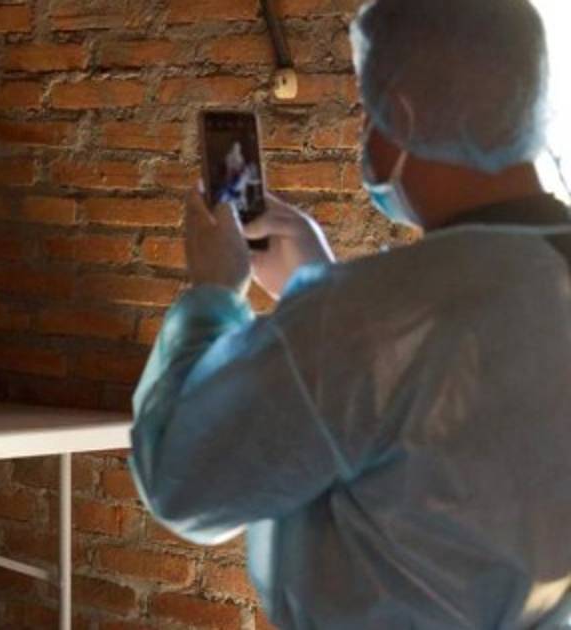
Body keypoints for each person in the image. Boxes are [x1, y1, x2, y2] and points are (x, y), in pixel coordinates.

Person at [129, 0, 571, 627]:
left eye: (369, 111)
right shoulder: (526, 276)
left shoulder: (374, 315)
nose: (365, 132)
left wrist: (214, 296)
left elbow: (187, 481)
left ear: (405, 114)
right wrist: (322, 288)